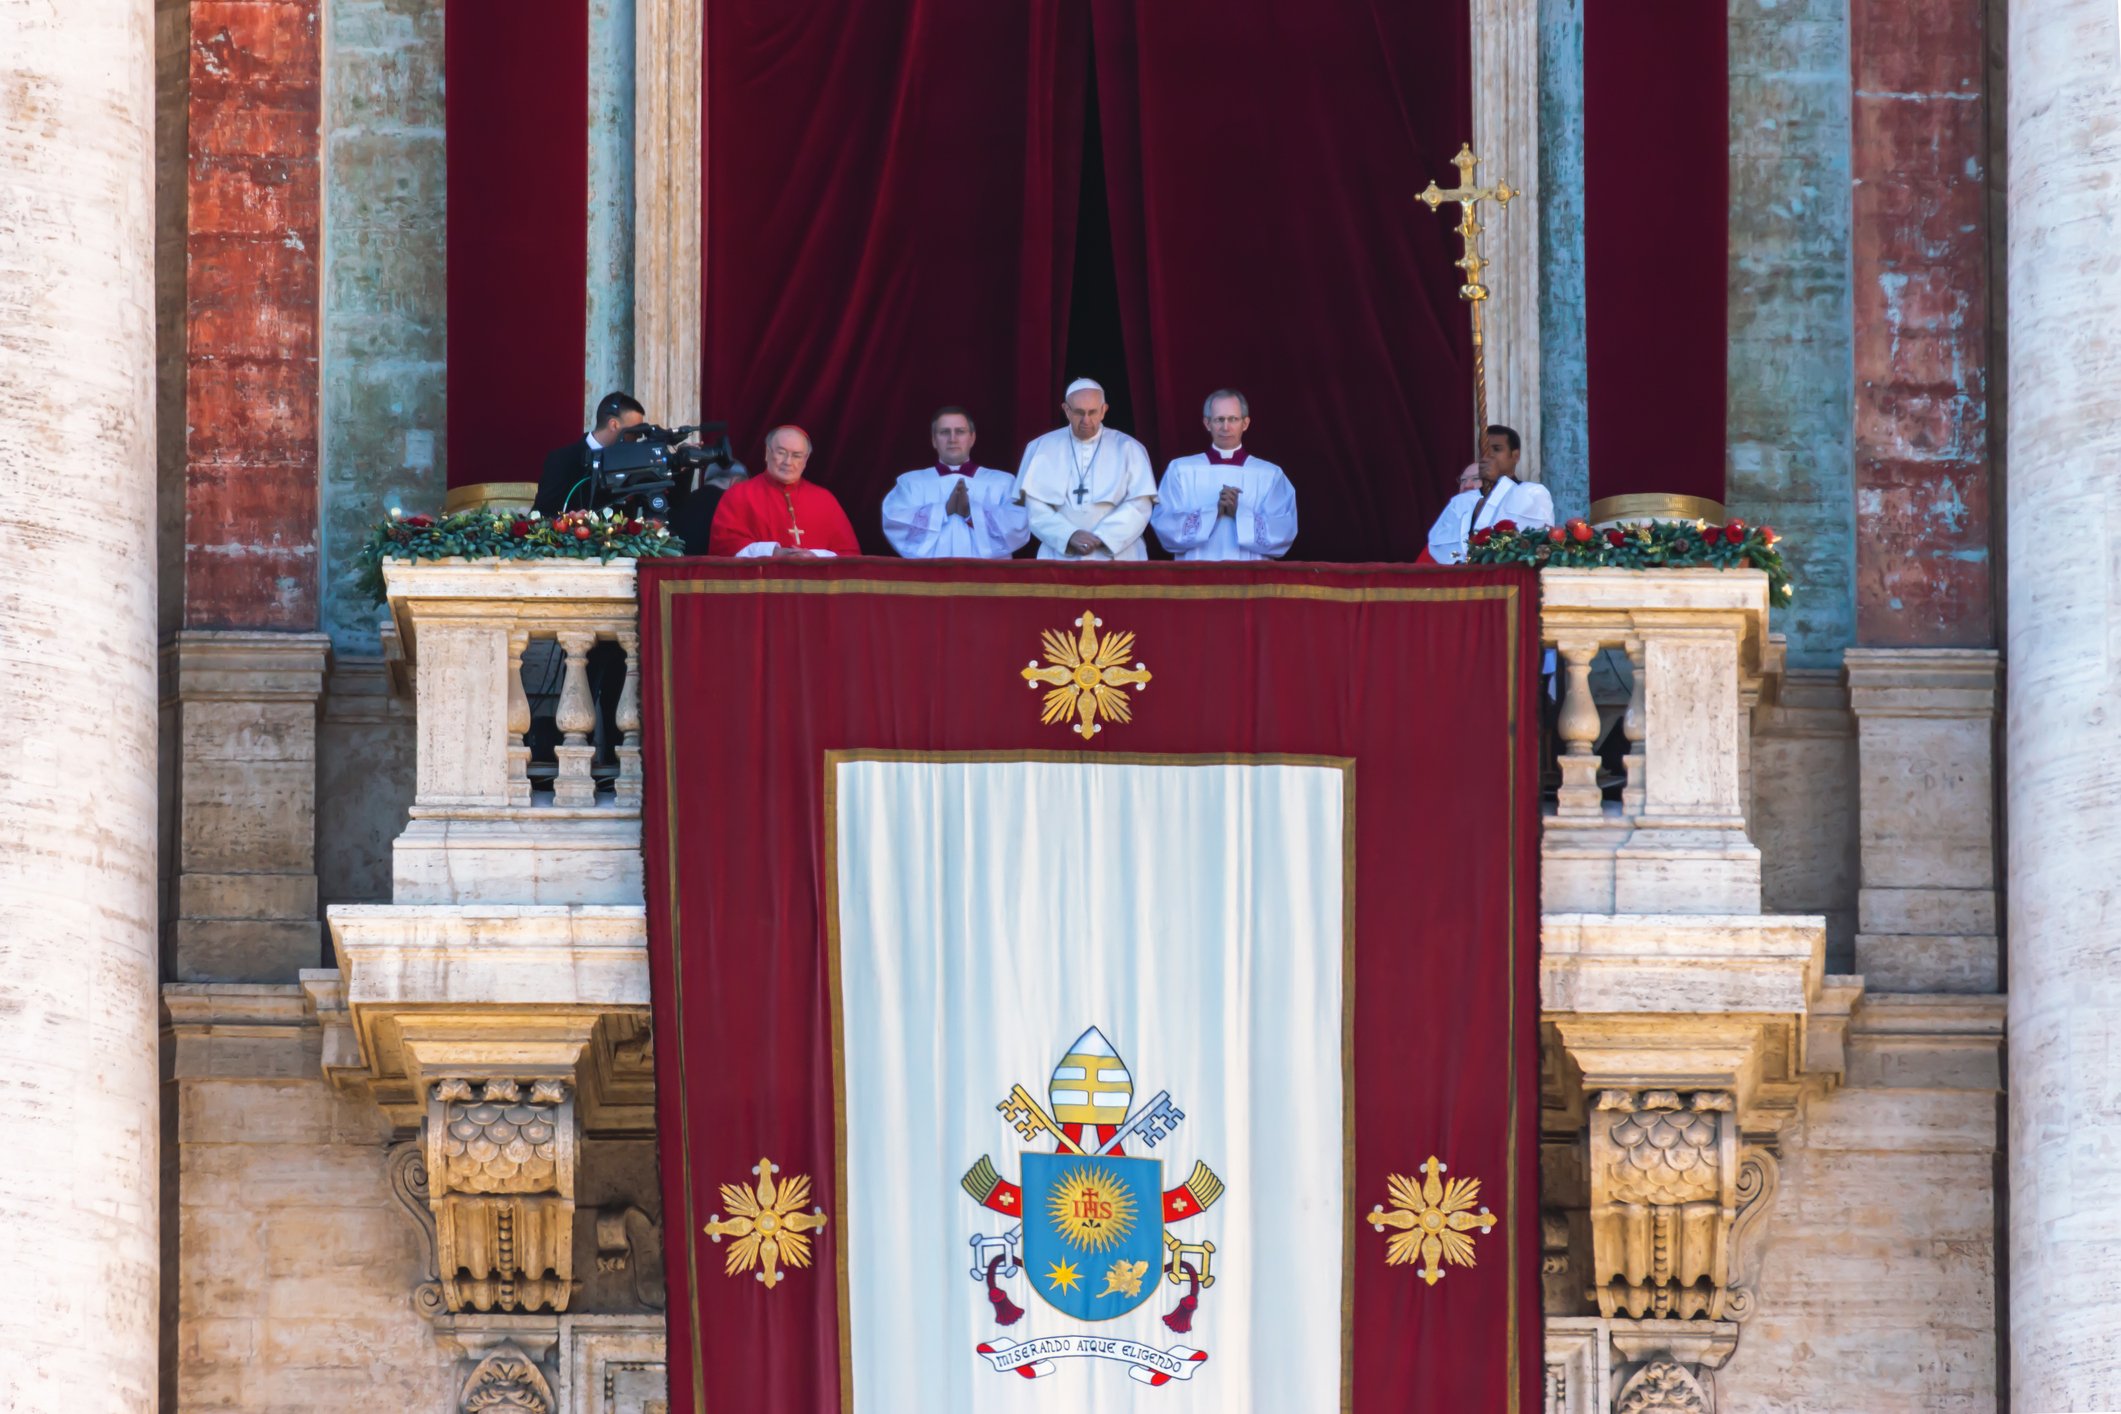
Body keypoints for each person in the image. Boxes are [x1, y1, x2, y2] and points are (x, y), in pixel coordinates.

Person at [1013, 378, 1158, 561]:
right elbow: (1034, 508)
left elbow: (1140, 505)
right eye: (1079, 412)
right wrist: (1069, 535)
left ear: (1104, 410)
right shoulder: (1041, 448)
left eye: (1093, 412)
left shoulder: (1129, 448)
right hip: (1059, 555)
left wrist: (1104, 536)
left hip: (1119, 554)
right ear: (1066, 410)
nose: (1086, 420)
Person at [1150, 389, 1298, 561]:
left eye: (1233, 419)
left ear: (1245, 423)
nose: (1225, 427)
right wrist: (1214, 510)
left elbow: (1283, 531)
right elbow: (1165, 526)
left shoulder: (1270, 474)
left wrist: (1239, 513)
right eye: (1219, 419)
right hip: (1196, 576)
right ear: (1207, 423)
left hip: (1251, 578)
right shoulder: (1181, 470)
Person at [879, 407, 1029, 558]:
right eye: (944, 432)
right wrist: (944, 510)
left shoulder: (1003, 482)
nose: (952, 439)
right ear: (934, 440)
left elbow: (1019, 524)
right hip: (929, 576)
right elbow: (894, 522)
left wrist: (971, 512)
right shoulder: (910, 483)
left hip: (987, 577)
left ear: (972, 438)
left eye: (960, 431)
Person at [706, 425, 861, 558]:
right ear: (767, 453)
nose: (788, 462)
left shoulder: (825, 500)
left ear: (805, 460)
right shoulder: (738, 494)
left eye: (796, 455)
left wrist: (815, 556)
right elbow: (723, 547)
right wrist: (773, 552)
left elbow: (849, 555)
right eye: (781, 452)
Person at [1425, 424, 1554, 563]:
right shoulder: (1462, 501)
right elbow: (1439, 544)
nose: (1489, 455)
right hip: (1464, 578)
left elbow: (1534, 536)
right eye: (1484, 449)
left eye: (1497, 449)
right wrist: (1463, 560)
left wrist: (1498, 480)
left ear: (1515, 455)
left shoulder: (1533, 492)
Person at [535, 391, 647, 516]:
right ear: (613, 425)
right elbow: (540, 516)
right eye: (633, 432)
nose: (637, 438)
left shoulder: (633, 462)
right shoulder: (562, 460)